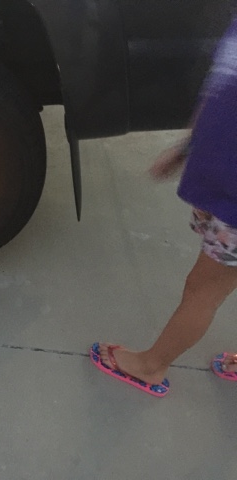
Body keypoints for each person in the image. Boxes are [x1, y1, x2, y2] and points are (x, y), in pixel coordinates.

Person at [90, 16, 237, 397]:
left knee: (204, 290)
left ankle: (151, 366)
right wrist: (187, 146)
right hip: (221, 183)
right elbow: (221, 85)